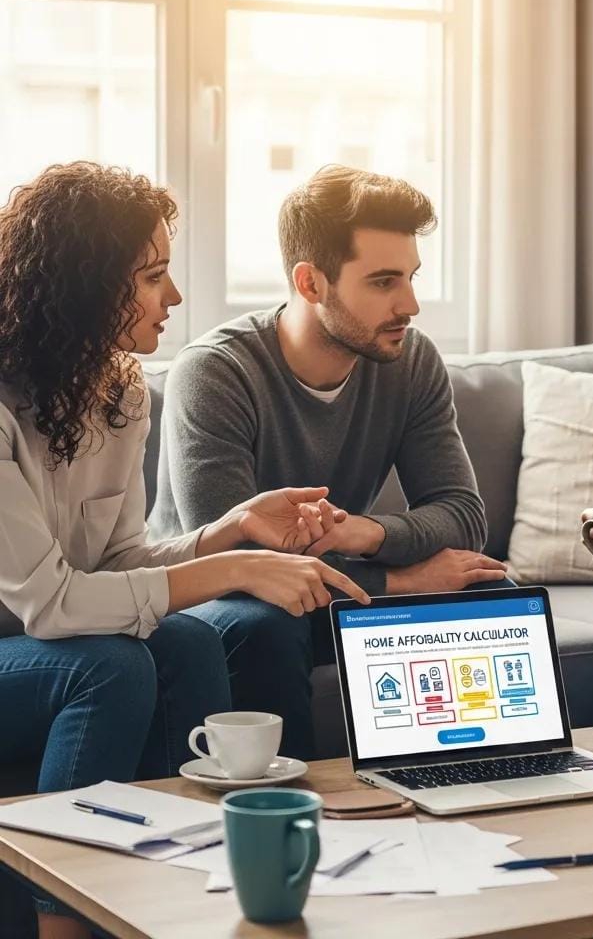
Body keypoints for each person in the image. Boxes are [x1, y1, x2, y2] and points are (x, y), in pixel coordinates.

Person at [0, 162, 368, 939]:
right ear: (84, 287)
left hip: (42, 636)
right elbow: (53, 602)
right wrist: (233, 570)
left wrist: (230, 530)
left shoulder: (120, 389)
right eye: (153, 277)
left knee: (190, 642)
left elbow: (116, 561)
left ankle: (193, 902)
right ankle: (59, 925)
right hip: (21, 641)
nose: (173, 299)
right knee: (110, 666)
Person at [150, 165, 508, 760]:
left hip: (335, 581)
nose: (410, 305)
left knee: (491, 588)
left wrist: (369, 535)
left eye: (412, 278)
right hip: (221, 597)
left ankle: (480, 792)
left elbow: (464, 516)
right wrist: (401, 580)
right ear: (311, 282)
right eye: (384, 282)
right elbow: (240, 563)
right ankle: (290, 812)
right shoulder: (216, 371)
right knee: (264, 625)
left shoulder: (410, 361)